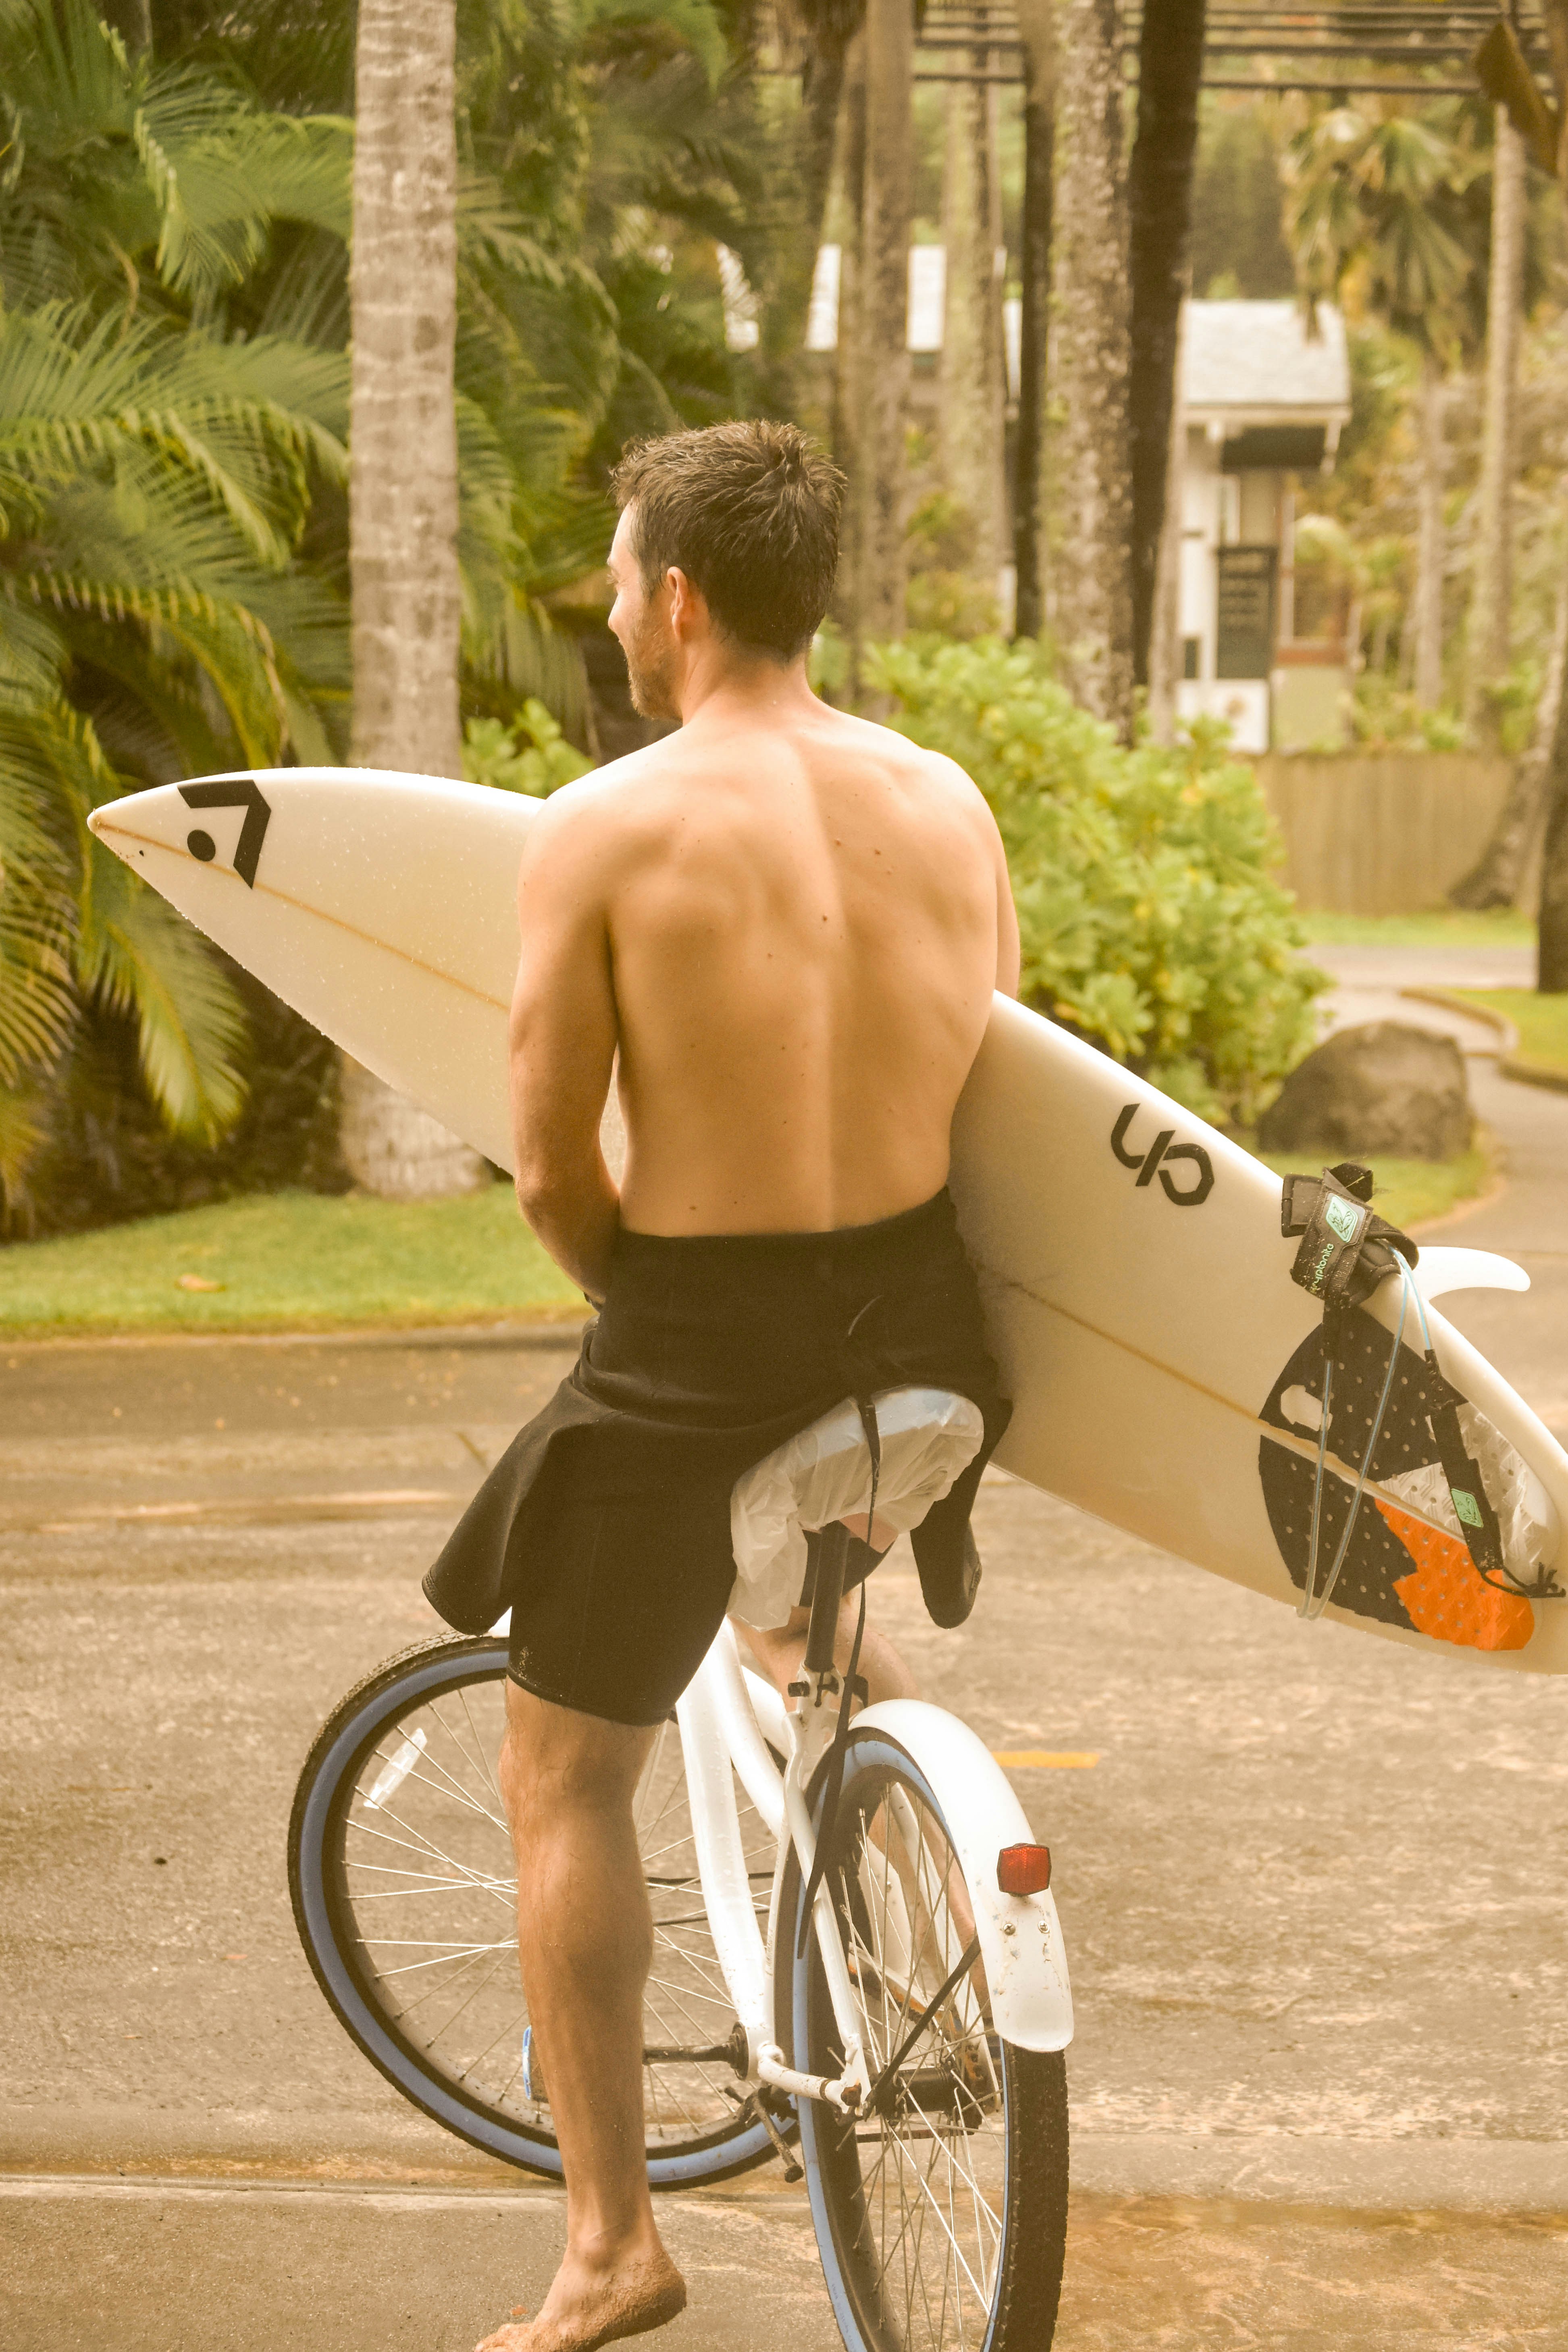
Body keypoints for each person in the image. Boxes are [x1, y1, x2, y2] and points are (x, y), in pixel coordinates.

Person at [425, 419, 1019, 2352]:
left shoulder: (608, 822)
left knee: (560, 1771)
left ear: (676, 598)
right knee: (809, 1610)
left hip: (705, 1338)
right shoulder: (944, 801)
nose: (607, 606)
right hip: (929, 1341)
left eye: (613, 574)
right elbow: (993, 1083)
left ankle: (611, 2248)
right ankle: (909, 1902)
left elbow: (549, 1169)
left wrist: (646, 1321)